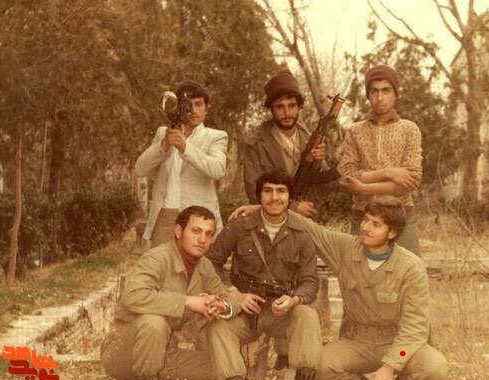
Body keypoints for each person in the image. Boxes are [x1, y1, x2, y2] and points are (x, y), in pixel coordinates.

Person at [229, 197, 447, 380]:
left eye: (376, 224)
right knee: (317, 369)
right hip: (356, 342)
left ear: (392, 233)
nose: (365, 228)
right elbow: (310, 229)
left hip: (397, 343)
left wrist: (391, 366)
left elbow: (415, 327)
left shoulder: (411, 267)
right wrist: (266, 208)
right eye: (365, 220)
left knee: (435, 370)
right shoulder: (346, 248)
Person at [101, 206, 239, 380]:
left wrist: (220, 305)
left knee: (225, 371)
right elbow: (132, 295)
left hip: (165, 355)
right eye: (196, 231)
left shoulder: (204, 266)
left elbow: (227, 297)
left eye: (209, 234)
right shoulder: (157, 258)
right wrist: (188, 301)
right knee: (154, 323)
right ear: (178, 231)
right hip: (124, 353)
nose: (202, 239)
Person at [206, 170, 322, 380]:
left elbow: (310, 281)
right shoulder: (240, 227)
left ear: (290, 197)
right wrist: (232, 293)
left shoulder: (302, 234)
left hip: (281, 311)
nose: (274, 197)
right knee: (217, 327)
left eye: (281, 191)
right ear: (259, 196)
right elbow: (210, 263)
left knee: (307, 316)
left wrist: (294, 300)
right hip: (245, 310)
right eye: (268, 191)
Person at [338, 64, 422, 256]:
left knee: (410, 272)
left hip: (400, 220)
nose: (380, 97)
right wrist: (388, 172)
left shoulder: (409, 129)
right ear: (368, 95)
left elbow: (411, 181)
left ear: (395, 94)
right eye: (374, 91)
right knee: (359, 272)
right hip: (364, 219)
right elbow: (345, 176)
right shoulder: (355, 131)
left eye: (386, 90)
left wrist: (363, 188)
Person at [135, 80, 228, 248]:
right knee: (161, 263)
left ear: (206, 108)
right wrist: (163, 145)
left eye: (198, 104)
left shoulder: (216, 136)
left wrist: (185, 147)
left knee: (197, 264)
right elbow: (140, 169)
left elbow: (217, 170)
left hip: (198, 217)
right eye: (188, 105)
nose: (193, 110)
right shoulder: (163, 133)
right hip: (165, 214)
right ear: (178, 107)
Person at [242, 69, 335, 220]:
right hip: (270, 221)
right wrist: (292, 206)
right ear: (271, 109)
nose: (287, 113)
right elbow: (254, 193)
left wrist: (318, 162)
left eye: (291, 106)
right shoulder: (256, 144)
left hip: (307, 222)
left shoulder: (309, 139)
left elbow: (326, 189)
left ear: (299, 107)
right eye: (280, 107)